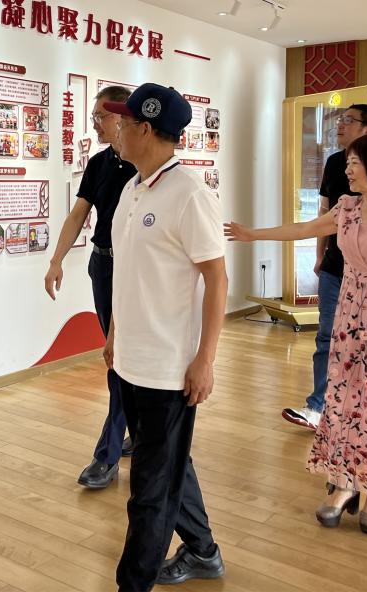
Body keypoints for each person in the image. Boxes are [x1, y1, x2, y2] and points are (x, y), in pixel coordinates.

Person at [226, 133, 367, 535]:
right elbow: (304, 228)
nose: (347, 169)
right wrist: (254, 234)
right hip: (349, 317)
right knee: (344, 398)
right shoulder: (347, 207)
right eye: (348, 162)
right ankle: (343, 481)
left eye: (355, 162)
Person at [102, 84, 228, 590]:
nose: (116, 130)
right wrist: (115, 332)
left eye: (123, 122)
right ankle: (203, 550)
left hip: (168, 368)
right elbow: (129, 272)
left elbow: (217, 279)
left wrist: (205, 359)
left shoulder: (190, 194)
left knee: (149, 490)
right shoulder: (132, 189)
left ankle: (132, 584)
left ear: (147, 129)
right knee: (169, 465)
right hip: (130, 359)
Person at [281, 104, 367, 432]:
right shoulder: (334, 164)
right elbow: (322, 215)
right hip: (336, 269)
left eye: (348, 120)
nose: (340, 125)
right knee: (328, 336)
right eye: (340, 120)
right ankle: (319, 407)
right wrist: (320, 255)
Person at [44, 85, 137, 490]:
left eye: (101, 116)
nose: (95, 123)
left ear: (123, 117)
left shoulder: (144, 166)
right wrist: (56, 260)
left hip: (136, 269)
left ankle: (107, 454)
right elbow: (78, 214)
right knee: (117, 357)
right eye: (94, 116)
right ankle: (135, 429)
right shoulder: (99, 163)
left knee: (119, 357)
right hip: (103, 264)